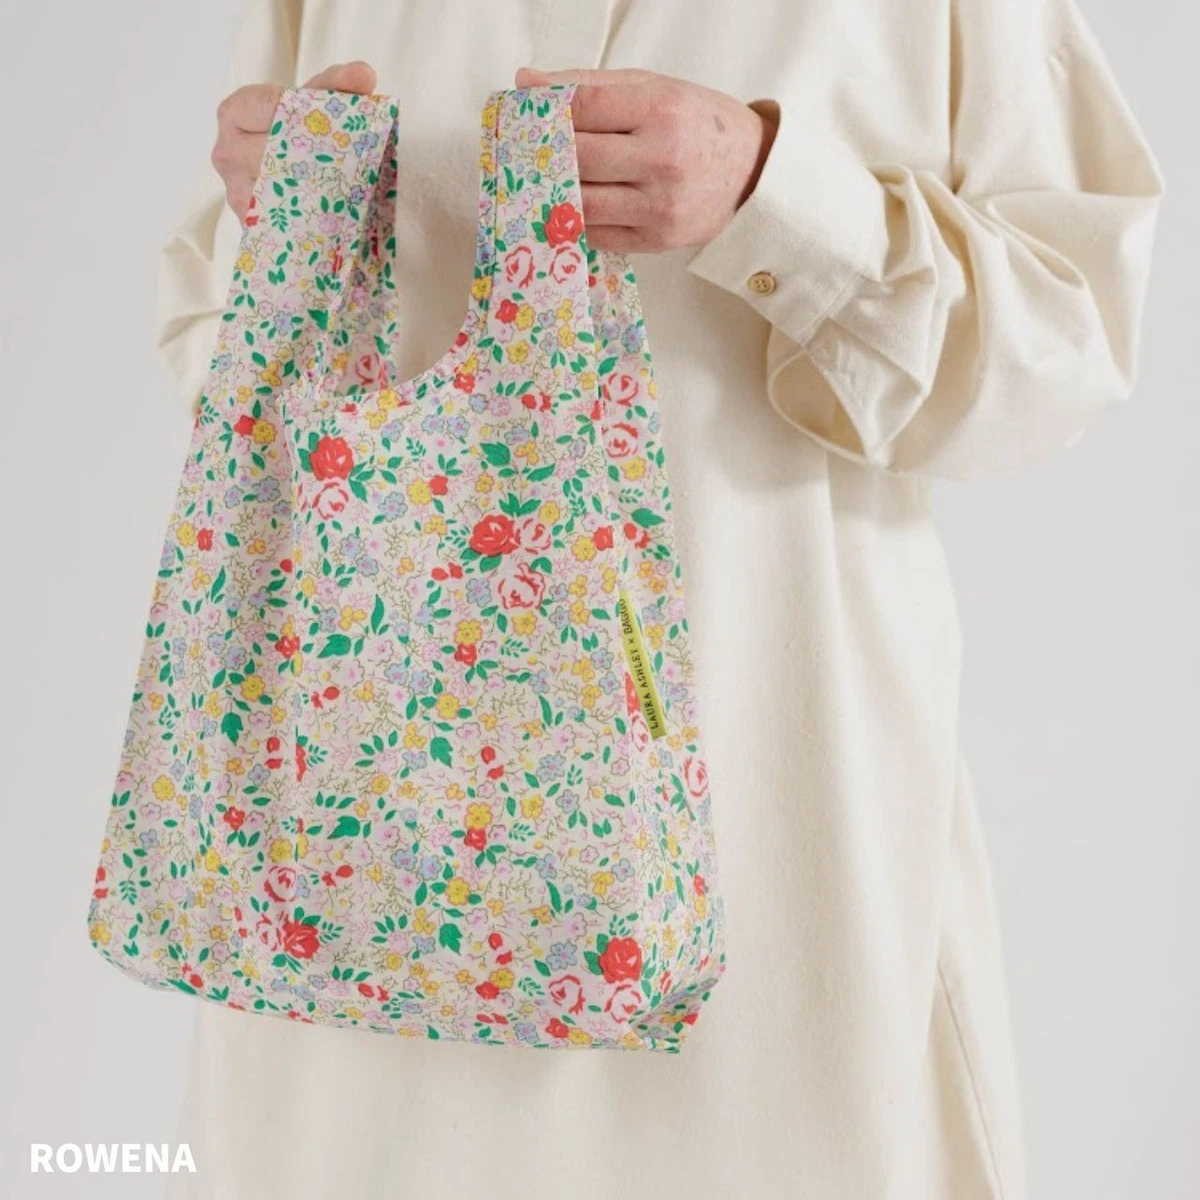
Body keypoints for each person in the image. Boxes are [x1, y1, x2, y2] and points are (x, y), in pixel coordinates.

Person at [157, 1, 1162, 1196]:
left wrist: (777, 198)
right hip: (348, 895)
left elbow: (1068, 343)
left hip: (772, 865)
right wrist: (282, 232)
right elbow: (215, 361)